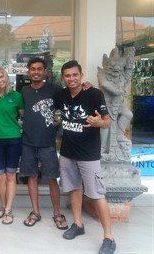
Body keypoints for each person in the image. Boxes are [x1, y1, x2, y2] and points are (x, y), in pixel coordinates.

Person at [55, 60, 116, 254]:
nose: (71, 79)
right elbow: (56, 114)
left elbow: (107, 122)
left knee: (97, 194)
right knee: (73, 189)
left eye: (75, 75)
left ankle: (109, 237)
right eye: (67, 75)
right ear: (62, 77)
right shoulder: (61, 95)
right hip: (67, 152)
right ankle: (78, 225)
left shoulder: (94, 94)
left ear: (81, 76)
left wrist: (99, 122)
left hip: (89, 155)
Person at [19, 57, 68, 230]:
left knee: (52, 178)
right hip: (28, 142)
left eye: (39, 69)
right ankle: (35, 212)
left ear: (45, 71)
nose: (36, 72)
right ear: (28, 71)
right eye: (33, 69)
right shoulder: (23, 90)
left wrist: (58, 119)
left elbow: (65, 104)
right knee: (31, 177)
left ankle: (57, 213)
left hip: (47, 142)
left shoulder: (55, 89)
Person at [0, 66, 24, 225]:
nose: (0, 80)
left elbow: (23, 116)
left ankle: (9, 209)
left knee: (10, 176)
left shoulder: (16, 96)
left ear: (6, 77)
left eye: (1, 77)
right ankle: (3, 206)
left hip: (14, 139)